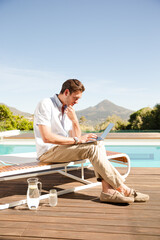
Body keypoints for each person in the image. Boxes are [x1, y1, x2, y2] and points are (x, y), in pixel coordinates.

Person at [34, 79, 149, 204]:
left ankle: (107, 191)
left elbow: (75, 136)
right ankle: (122, 189)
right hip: (48, 152)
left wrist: (75, 121)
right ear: (66, 92)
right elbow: (47, 137)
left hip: (63, 150)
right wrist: (78, 140)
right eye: (75, 97)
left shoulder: (69, 109)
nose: (77, 101)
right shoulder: (46, 104)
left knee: (98, 143)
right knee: (92, 148)